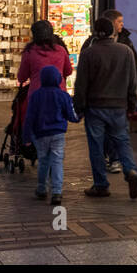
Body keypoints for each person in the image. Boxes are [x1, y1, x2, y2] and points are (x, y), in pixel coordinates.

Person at [73, 16, 137, 199]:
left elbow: (81, 84)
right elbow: (132, 82)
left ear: (96, 33)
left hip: (95, 107)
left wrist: (79, 107)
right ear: (112, 32)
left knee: (96, 146)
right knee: (122, 141)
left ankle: (101, 184)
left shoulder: (89, 53)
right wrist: (132, 105)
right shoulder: (125, 52)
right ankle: (130, 170)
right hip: (119, 106)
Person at [22, 64, 81, 207]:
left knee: (43, 161)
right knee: (57, 162)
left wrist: (27, 137)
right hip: (58, 133)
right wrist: (80, 116)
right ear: (58, 79)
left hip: (40, 134)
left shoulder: (36, 95)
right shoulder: (63, 95)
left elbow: (29, 117)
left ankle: (42, 188)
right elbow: (71, 116)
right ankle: (57, 192)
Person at [16, 20, 73, 125]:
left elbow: (22, 77)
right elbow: (68, 71)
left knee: (37, 126)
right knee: (57, 125)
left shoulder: (30, 52)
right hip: (58, 93)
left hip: (36, 95)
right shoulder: (61, 50)